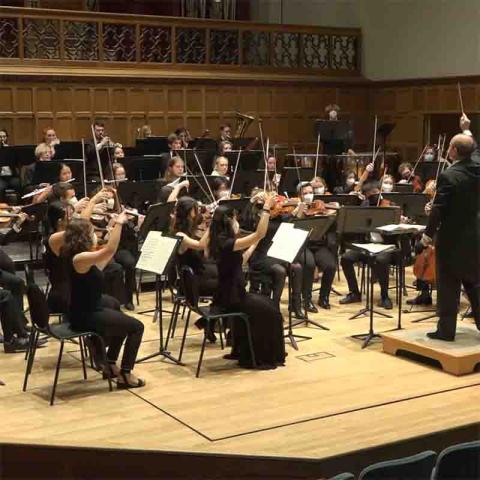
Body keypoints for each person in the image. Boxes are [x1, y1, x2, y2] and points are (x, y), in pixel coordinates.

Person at [53, 214, 145, 387]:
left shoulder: (78, 256)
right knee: (137, 327)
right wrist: (118, 223)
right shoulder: (79, 258)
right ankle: (125, 374)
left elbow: (101, 262)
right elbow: (108, 251)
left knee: (117, 312)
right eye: (92, 231)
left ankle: (109, 364)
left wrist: (111, 234)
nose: (95, 234)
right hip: (86, 315)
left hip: (86, 309)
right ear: (84, 236)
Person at [207, 195, 286, 370]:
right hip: (232, 298)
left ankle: (244, 349)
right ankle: (259, 356)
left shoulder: (219, 240)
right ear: (228, 221)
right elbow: (260, 233)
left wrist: (253, 244)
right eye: (235, 218)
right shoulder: (227, 242)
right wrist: (266, 209)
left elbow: (240, 261)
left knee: (269, 304)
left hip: (229, 293)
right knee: (271, 312)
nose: (238, 221)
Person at [421, 117, 480, 341]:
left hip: (451, 238)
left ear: (454, 151)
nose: (447, 150)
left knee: (448, 285)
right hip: (474, 235)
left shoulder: (449, 175)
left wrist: (427, 235)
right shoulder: (477, 168)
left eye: (449, 148)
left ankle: (446, 331)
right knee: (474, 283)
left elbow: (439, 210)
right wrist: (467, 130)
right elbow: (474, 151)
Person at [339, 181, 396, 310]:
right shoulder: (364, 206)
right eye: (370, 195)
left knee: (381, 260)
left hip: (386, 246)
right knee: (346, 258)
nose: (374, 197)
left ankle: (384, 296)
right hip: (367, 245)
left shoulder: (390, 206)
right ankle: (354, 292)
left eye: (376, 193)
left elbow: (396, 232)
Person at [293, 182, 337, 310]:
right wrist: (299, 211)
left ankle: (324, 297)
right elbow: (289, 224)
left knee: (330, 265)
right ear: (299, 195)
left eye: (310, 192)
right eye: (305, 193)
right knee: (309, 264)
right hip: (302, 245)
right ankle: (306, 300)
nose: (308, 195)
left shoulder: (319, 206)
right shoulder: (297, 208)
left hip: (318, 244)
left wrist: (328, 215)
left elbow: (331, 226)